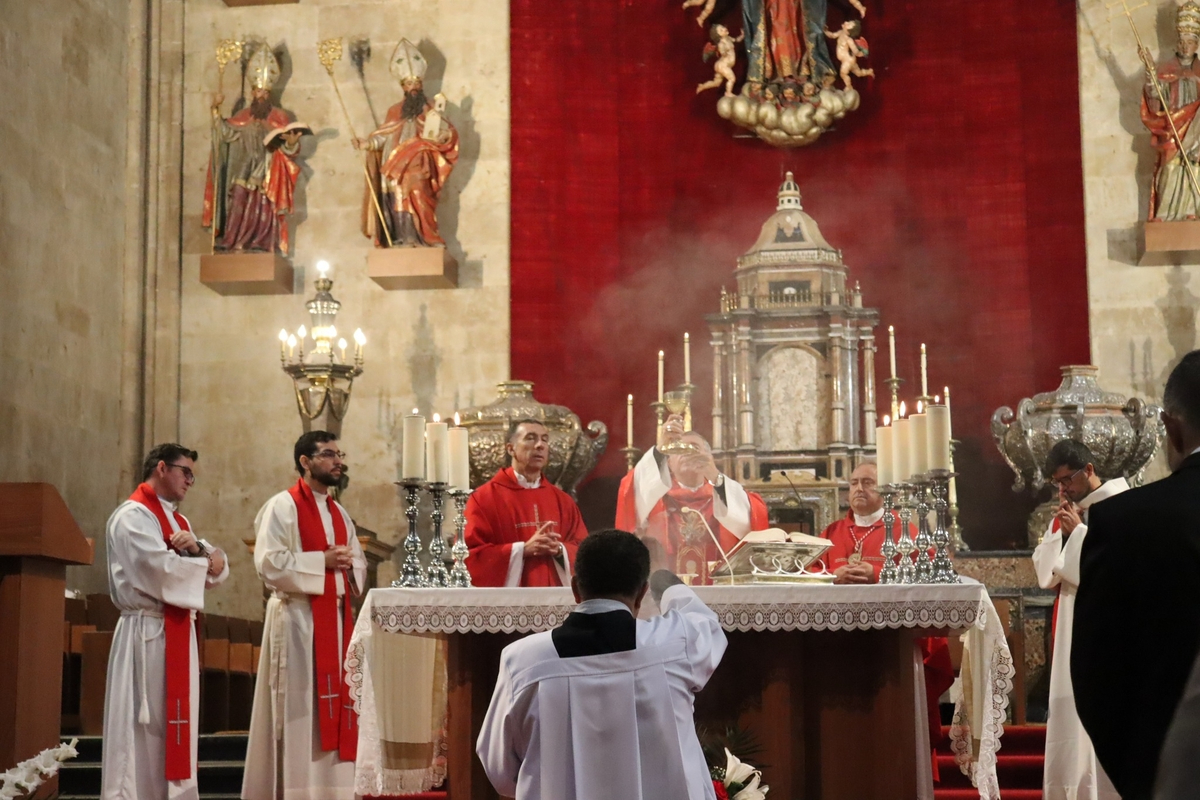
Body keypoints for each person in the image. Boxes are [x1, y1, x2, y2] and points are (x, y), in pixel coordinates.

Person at [476, 530, 726, 800]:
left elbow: (499, 769)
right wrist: (666, 582)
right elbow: (706, 624)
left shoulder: (523, 661)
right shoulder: (675, 643)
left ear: (575, 589)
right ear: (641, 594)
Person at [1073, 350, 1200, 800]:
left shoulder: (1126, 521)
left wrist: (1144, 777)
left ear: (1171, 426)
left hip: (1174, 771)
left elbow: (1095, 673)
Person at [241, 432, 366, 800]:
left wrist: (346, 563)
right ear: (305, 461)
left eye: (339, 454)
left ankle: (334, 792)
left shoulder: (340, 513)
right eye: (328, 455)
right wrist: (322, 562)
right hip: (296, 621)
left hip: (336, 623)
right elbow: (268, 564)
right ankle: (295, 791)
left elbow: (356, 561)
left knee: (331, 708)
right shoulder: (282, 507)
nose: (337, 461)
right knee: (297, 711)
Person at [101, 444, 229, 800]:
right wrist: (204, 558)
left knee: (171, 730)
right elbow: (161, 571)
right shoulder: (132, 516)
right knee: (141, 734)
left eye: (192, 475)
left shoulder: (177, 521)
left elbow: (221, 567)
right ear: (161, 467)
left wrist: (200, 553)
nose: (190, 481)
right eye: (185, 472)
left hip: (176, 633)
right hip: (145, 634)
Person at [817, 461, 953, 778]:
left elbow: (928, 577)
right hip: (835, 651)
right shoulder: (830, 534)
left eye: (868, 482)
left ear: (886, 490)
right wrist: (832, 576)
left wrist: (877, 574)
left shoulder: (906, 531)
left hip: (893, 653)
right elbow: (807, 576)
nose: (859, 489)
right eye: (853, 483)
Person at [1032, 440, 1127, 800]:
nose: (1063, 489)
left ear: (1088, 470)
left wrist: (1079, 534)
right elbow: (1046, 569)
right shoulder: (1070, 511)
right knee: (1068, 707)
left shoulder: (1121, 503)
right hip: (1072, 618)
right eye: (1057, 483)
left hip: (1108, 621)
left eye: (1067, 479)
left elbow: (1118, 565)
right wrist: (1064, 534)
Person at [615, 414, 768, 584]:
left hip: (720, 594)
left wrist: (715, 477)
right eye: (679, 449)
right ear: (669, 463)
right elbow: (631, 495)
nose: (687, 452)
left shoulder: (723, 495)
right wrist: (659, 450)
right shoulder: (654, 498)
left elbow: (751, 523)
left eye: (694, 447)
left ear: (710, 459)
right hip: (663, 593)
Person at [203, 45, 309, 255]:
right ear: (252, 92)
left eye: (266, 92)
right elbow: (225, 133)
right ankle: (232, 239)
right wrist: (215, 110)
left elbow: (289, 152)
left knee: (263, 204)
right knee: (239, 198)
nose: (262, 96)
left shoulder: (279, 117)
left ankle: (262, 241)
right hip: (242, 166)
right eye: (259, 91)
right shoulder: (243, 115)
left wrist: (290, 142)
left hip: (268, 170)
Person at [355, 39, 459, 248]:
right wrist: (367, 144)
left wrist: (443, 136)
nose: (414, 88)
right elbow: (383, 135)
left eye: (417, 83)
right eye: (409, 84)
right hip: (395, 166)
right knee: (396, 198)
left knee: (419, 190)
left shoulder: (431, 108)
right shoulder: (395, 111)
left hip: (420, 164)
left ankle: (425, 237)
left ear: (421, 85)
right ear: (403, 87)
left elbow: (447, 132)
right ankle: (403, 238)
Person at [465, 418, 589, 586]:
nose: (540, 445)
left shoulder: (563, 501)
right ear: (510, 448)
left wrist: (560, 550)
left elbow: (584, 550)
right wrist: (522, 550)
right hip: (508, 604)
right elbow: (471, 555)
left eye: (545, 439)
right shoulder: (483, 498)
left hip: (554, 599)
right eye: (531, 438)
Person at [1141, 1, 1200, 221]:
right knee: (1170, 167)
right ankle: (1165, 215)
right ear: (1177, 42)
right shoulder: (1166, 70)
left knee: (1195, 167)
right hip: (1173, 130)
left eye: (1191, 42)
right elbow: (1155, 100)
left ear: (1196, 44)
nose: (1186, 46)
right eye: (1183, 42)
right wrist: (1150, 75)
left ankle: (1193, 211)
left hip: (1197, 133)